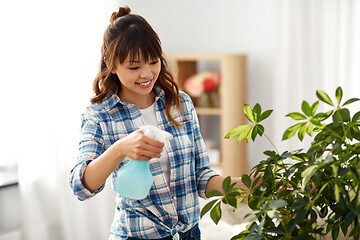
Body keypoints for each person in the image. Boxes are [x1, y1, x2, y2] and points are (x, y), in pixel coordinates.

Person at [69, 6, 248, 240]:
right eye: (134, 67)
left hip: (189, 234)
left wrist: (245, 185)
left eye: (153, 62)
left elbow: (201, 177)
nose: (147, 74)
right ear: (111, 64)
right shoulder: (100, 115)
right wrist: (121, 148)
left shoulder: (180, 103)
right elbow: (80, 187)